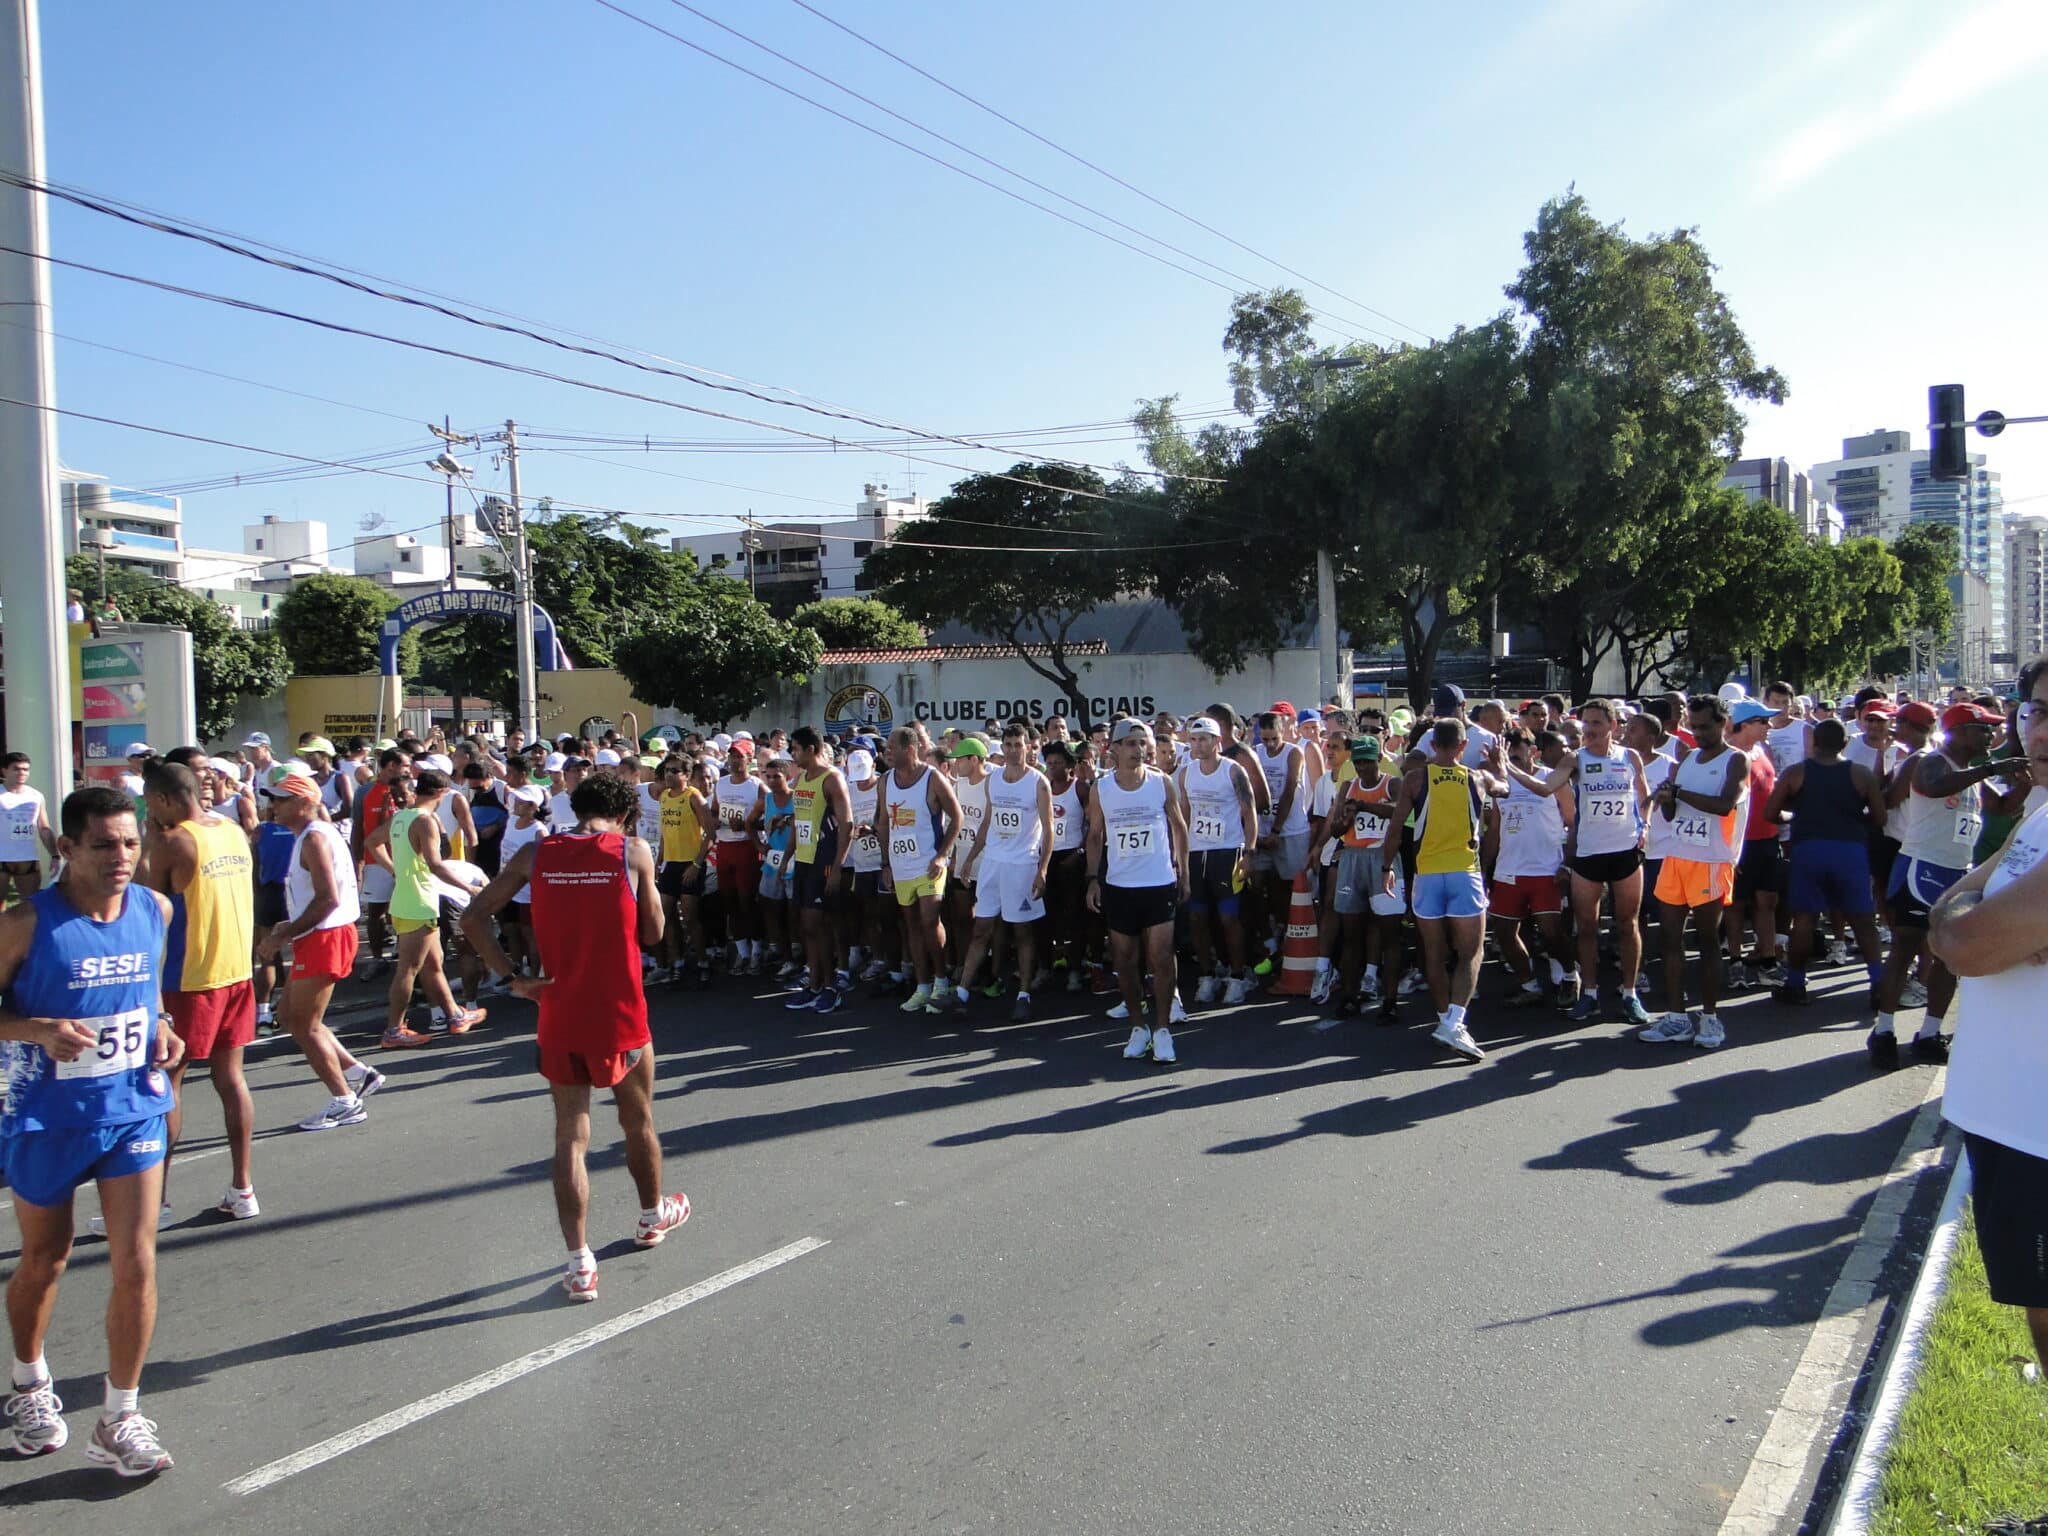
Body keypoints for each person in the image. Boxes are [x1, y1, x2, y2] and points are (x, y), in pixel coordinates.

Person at [0, 786, 182, 1474]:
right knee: (45, 1257)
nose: (122, 857)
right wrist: (33, 1028)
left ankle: (121, 1415)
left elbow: (148, 994)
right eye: (104, 845)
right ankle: (30, 1382)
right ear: (66, 848)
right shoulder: (24, 924)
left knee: (136, 1259)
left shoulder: (155, 908)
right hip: (45, 1115)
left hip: (131, 1105)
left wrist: (163, 1028)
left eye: (132, 843)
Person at [461, 768, 688, 1303]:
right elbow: (653, 934)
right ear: (626, 814)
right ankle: (652, 1217)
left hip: (558, 1009)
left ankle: (579, 1263)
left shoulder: (537, 854)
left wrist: (514, 979)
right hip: (620, 1014)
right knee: (637, 1123)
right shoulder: (631, 851)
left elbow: (472, 918)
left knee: (570, 1137)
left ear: (573, 808)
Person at [1927, 655, 2048, 1377]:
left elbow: (1964, 943)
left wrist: (1973, 927)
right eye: (2038, 710)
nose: (2043, 730)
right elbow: (1954, 911)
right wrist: (1975, 925)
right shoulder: (2039, 812)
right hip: (2006, 1118)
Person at [139, 761, 258, 1222]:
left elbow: (148, 906)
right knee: (231, 1081)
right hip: (235, 971)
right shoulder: (229, 829)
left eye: (149, 803)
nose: (147, 812)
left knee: (165, 1087)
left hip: (190, 978)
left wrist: (151, 847)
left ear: (165, 800)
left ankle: (157, 1202)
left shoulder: (172, 841)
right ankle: (242, 1188)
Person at [1500, 699, 1653, 1024]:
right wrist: (1508, 767)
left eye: (1597, 723)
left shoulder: (1630, 757)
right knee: (1586, 927)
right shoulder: (1576, 759)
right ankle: (1591, 994)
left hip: (1625, 852)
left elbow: (1644, 795)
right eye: (1586, 724)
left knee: (1628, 925)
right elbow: (1544, 788)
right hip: (1588, 854)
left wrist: (1646, 826)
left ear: (1613, 726)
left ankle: (1630, 994)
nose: (1590, 730)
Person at [1870, 701, 2005, 1068]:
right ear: (1959, 732)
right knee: (1905, 947)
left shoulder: (1972, 773)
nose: (1991, 735)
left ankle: (1929, 1033)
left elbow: (2004, 807)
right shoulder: (1930, 761)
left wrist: (2030, 777)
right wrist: (1992, 768)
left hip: (1958, 872)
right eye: (1983, 728)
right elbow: (1931, 787)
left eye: (1992, 728)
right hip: (1921, 869)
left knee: (1948, 955)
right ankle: (1883, 1030)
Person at [252, 774, 386, 1131]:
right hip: (319, 934)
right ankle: (359, 1074)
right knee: (290, 1015)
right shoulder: (311, 834)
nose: (273, 805)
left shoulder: (313, 837)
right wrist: (289, 926)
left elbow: (328, 898)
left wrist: (283, 936)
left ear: (305, 803)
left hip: (326, 936)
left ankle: (344, 1101)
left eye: (281, 799)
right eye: (273, 798)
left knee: (306, 1025)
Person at [1642, 695, 1749, 1050]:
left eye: (1705, 726)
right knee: (1669, 939)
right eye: (1693, 726)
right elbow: (1672, 815)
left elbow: (1723, 805)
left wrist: (1680, 793)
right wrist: (1669, 799)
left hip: (1711, 862)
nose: (1698, 733)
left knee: (1706, 942)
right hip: (1677, 857)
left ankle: (1709, 1017)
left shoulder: (1736, 760)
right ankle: (1676, 1016)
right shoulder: (1686, 758)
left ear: (1723, 723)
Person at [1403, 718, 1510, 1062]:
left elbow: (1394, 830)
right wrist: (1500, 766)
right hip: (1465, 872)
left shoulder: (1416, 778)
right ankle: (1454, 1022)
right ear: (1463, 747)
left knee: (1433, 953)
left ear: (1433, 746)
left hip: (1428, 874)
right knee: (1471, 952)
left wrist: (1385, 869)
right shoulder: (1477, 777)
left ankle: (1444, 1022)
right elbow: (1504, 789)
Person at [1763, 719, 1888, 1008]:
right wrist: (1853, 820)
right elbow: (1880, 819)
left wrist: (1794, 817)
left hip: (1809, 849)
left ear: (1815, 742)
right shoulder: (1861, 774)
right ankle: (1878, 983)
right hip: (1850, 850)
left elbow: (1771, 812)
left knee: (1804, 918)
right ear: (1845, 744)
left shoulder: (1797, 773)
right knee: (1862, 920)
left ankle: (1796, 984)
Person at [1087, 718, 1189, 1062]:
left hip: (1159, 882)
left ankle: (1162, 1030)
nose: (1139, 750)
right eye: (1131, 743)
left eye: (1143, 743)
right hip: (1119, 886)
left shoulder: (1162, 783)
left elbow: (1179, 827)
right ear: (1114, 749)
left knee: (1160, 958)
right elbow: (1095, 836)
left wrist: (1183, 873)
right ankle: (1137, 1026)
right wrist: (1092, 880)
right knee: (1126, 963)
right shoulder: (1101, 788)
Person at [363, 768, 485, 1049]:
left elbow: (372, 842)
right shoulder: (425, 821)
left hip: (406, 899)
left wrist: (395, 870)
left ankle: (454, 1015)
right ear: (441, 794)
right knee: (408, 969)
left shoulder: (401, 817)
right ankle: (394, 1030)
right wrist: (469, 888)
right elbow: (436, 864)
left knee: (433, 963)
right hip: (420, 902)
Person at [955, 723, 1053, 1022]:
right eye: (1007, 745)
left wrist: (1042, 869)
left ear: (1027, 747)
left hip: (1022, 865)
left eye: (1017, 745)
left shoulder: (1038, 783)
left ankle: (1023, 993)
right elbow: (987, 821)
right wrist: (971, 858)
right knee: (981, 927)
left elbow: (1049, 830)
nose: (1012, 750)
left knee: (1021, 930)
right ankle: (961, 991)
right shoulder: (993, 780)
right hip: (993, 864)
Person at [1320, 733, 1409, 1015]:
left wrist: (1364, 806)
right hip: (1352, 859)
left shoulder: (1392, 783)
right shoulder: (1348, 785)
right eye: (1358, 762)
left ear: (1379, 760)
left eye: (1367, 762)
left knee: (1390, 932)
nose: (1362, 768)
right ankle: (1349, 995)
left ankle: (1391, 1001)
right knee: (1351, 933)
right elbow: (1335, 830)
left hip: (1384, 858)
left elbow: (1399, 813)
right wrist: (1346, 818)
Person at [1177, 716, 1260, 1007]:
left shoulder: (1233, 771)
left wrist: (1249, 852)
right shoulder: (1186, 773)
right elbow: (1184, 816)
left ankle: (1238, 976)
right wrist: (1180, 856)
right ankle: (1207, 975)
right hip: (1197, 853)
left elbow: (1250, 813)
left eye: (1203, 739)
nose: (1197, 744)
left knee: (1229, 917)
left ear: (1217, 742)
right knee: (1197, 917)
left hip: (1227, 851)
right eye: (1193, 739)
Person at [881, 725, 962, 1015]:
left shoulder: (932, 778)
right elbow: (883, 822)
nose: (887, 752)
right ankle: (922, 986)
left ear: (910, 749)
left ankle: (942, 984)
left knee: (930, 921)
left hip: (928, 864)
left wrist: (942, 856)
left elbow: (957, 818)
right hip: (901, 867)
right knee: (912, 926)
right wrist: (886, 863)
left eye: (892, 747)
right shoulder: (886, 780)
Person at [786, 727, 853, 1012]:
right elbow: (797, 821)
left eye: (796, 749)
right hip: (803, 861)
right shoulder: (801, 778)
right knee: (807, 925)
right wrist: (786, 858)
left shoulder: (832, 779)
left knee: (819, 924)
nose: (792, 754)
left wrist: (837, 867)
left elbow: (847, 824)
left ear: (812, 749)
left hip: (823, 861)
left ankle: (829, 986)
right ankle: (813, 983)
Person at [654, 758, 712, 985]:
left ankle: (702, 961)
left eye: (675, 771)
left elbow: (710, 833)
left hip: (691, 863)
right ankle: (676, 961)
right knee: (666, 912)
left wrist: (697, 864)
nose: (669, 775)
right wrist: (660, 861)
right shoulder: (664, 797)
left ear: (686, 775)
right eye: (667, 771)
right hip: (670, 863)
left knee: (690, 915)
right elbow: (664, 833)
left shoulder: (694, 797)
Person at [711, 744, 764, 974]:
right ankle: (742, 952)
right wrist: (714, 820)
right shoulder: (720, 784)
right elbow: (714, 811)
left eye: (739, 757)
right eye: (732, 756)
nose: (734, 761)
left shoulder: (757, 786)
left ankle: (757, 951)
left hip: (747, 846)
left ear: (749, 759)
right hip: (725, 845)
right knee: (729, 900)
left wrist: (746, 825)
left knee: (747, 900)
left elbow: (769, 818)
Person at [0, 752, 56, 904]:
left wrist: (55, 855)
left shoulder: (36, 796)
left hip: (27, 858)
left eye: (25, 769)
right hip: (2, 856)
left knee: (31, 905)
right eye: (16, 769)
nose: (22, 773)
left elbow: (44, 828)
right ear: (4, 770)